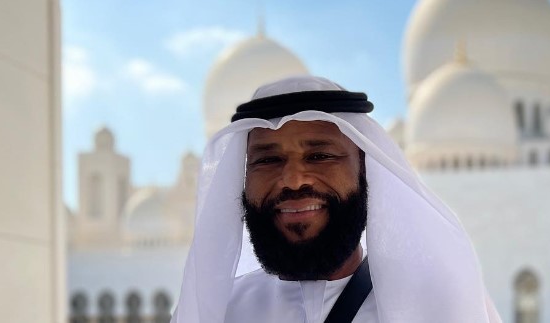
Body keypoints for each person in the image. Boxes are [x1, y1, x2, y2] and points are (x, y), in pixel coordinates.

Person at [171, 76, 502, 323]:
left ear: (364, 171)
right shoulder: (220, 312)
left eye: (319, 156)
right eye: (267, 160)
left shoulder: (437, 308)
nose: (294, 180)